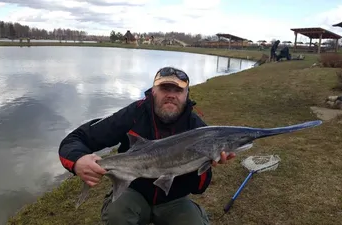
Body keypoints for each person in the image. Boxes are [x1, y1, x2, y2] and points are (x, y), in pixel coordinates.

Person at [58, 66, 236, 225]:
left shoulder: (197, 127)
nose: (171, 95)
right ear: (154, 91)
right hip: (133, 192)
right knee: (117, 215)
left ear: (187, 94)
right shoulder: (134, 114)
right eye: (165, 88)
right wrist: (77, 160)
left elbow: (199, 188)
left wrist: (209, 162)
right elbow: (75, 139)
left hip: (173, 199)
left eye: (178, 90)